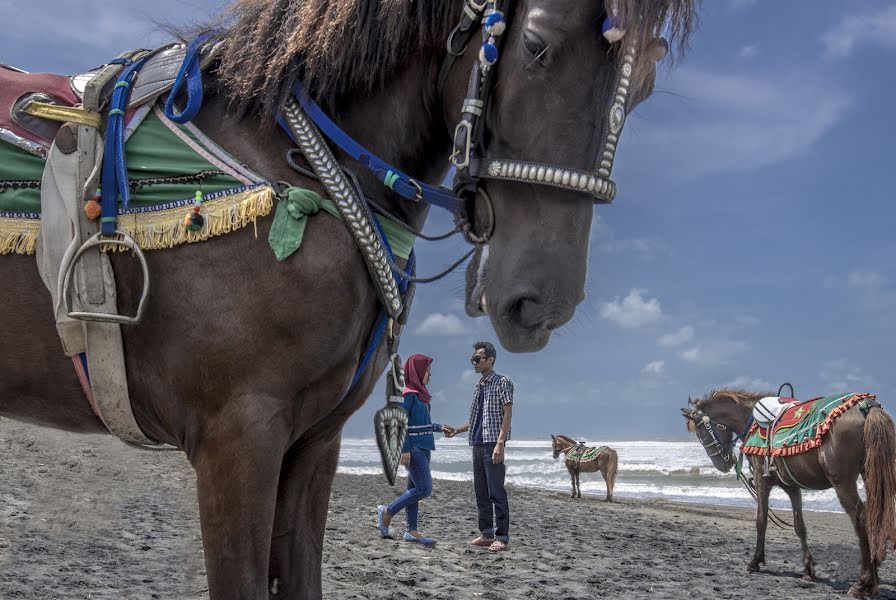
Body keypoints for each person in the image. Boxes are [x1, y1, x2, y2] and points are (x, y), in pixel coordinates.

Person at [376, 354, 453, 545]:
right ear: (417, 371)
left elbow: (422, 423)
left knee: (414, 489)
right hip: (414, 448)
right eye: (427, 371)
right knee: (424, 489)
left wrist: (438, 427)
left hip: (425, 447)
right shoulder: (408, 393)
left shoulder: (422, 395)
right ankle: (388, 511)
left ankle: (411, 530)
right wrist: (405, 449)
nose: (430, 375)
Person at [444, 341, 513, 552]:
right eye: (472, 359)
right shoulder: (479, 386)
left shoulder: (502, 382)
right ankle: (486, 534)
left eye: (477, 359)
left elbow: (507, 415)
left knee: (496, 492)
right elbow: (476, 419)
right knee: (481, 493)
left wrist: (500, 443)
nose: (473, 362)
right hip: (477, 444)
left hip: (493, 443)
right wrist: (457, 430)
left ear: (490, 360)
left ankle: (501, 537)